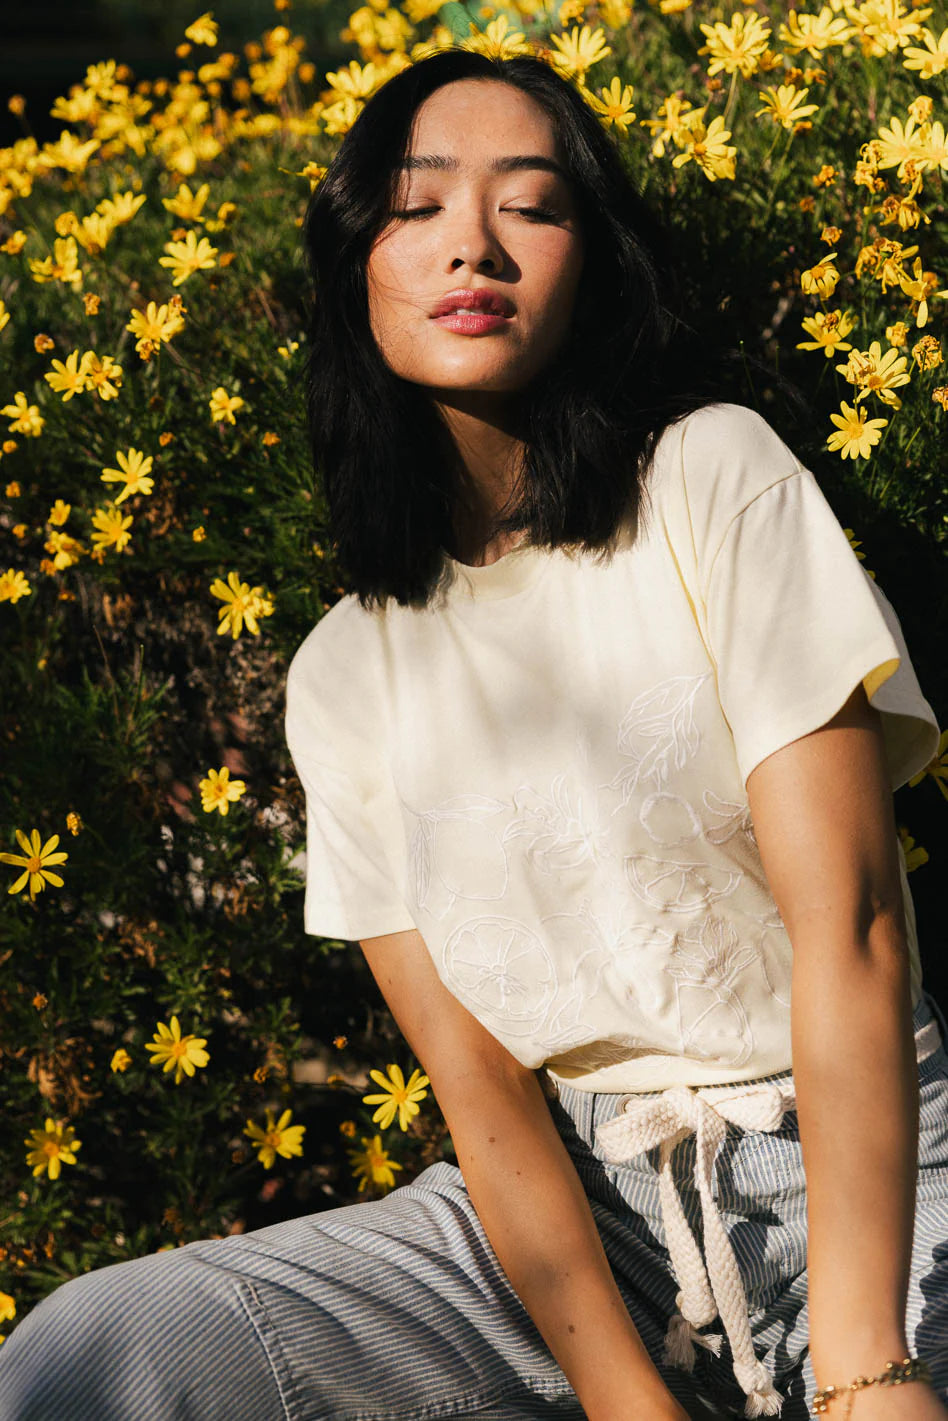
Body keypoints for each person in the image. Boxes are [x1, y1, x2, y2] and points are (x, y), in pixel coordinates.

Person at [2, 45, 947, 1421]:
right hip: (576, 1244)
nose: (475, 243)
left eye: (532, 204)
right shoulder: (341, 672)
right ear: (357, 267)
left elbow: (852, 923)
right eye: (419, 202)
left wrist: (870, 1367)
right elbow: (482, 1089)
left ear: (590, 266)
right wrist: (629, 1405)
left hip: (879, 1187)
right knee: (110, 1345)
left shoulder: (710, 476)